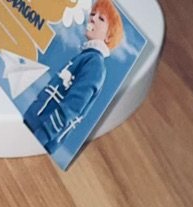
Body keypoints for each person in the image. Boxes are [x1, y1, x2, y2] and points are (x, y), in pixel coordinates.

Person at [23, 0, 124, 152]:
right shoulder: (85, 56)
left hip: (39, 136)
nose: (93, 18)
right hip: (31, 124)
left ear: (108, 37)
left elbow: (71, 108)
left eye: (101, 18)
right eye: (92, 14)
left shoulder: (95, 65)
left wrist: (41, 137)